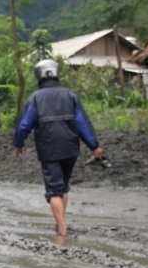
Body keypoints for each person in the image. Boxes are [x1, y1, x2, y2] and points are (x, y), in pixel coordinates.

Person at [13, 59, 103, 238]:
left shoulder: (36, 98)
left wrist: (18, 143)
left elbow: (24, 125)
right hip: (70, 148)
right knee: (64, 187)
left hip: (48, 148)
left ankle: (62, 231)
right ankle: (59, 222)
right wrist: (95, 146)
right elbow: (82, 123)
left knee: (54, 190)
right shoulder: (70, 96)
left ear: (39, 76)